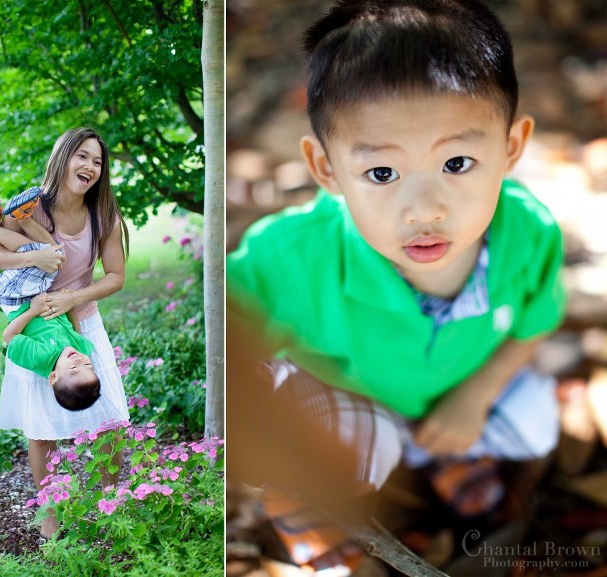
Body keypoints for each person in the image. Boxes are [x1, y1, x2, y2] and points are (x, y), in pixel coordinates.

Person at [227, 0, 566, 565]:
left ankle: (440, 451)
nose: (423, 209)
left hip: (455, 387)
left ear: (510, 147)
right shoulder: (288, 256)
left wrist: (476, 396)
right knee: (357, 448)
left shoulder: (529, 232)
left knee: (538, 426)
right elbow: (223, 339)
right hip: (351, 402)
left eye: (456, 163)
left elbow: (536, 321)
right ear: (326, 168)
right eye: (382, 173)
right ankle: (311, 494)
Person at [0, 127, 131, 538]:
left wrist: (72, 298)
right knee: (41, 426)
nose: (90, 167)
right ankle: (50, 520)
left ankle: (109, 506)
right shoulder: (34, 208)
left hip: (82, 322)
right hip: (36, 324)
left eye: (97, 162)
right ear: (64, 158)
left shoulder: (104, 216)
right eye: (82, 156)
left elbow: (116, 277)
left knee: (110, 417)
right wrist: (37, 259)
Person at [0, 193, 101, 412]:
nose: (79, 360)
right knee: (56, 256)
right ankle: (22, 217)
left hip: (16, 298)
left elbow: (9, 336)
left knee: (40, 253)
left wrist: (33, 311)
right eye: (87, 365)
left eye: (73, 369)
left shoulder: (39, 358)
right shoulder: (80, 349)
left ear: (53, 377)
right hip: (36, 292)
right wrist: (69, 306)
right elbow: (76, 330)